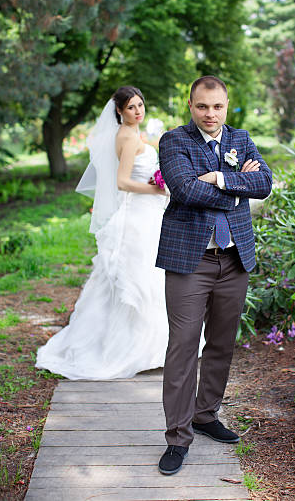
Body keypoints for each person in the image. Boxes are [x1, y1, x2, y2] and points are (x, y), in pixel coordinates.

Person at [156, 75, 273, 475]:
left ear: (227, 105)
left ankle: (206, 415)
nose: (210, 113)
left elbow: (266, 182)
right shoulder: (174, 141)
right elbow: (185, 189)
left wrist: (222, 179)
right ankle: (177, 436)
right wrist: (242, 188)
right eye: (202, 106)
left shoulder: (240, 139)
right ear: (191, 105)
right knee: (184, 346)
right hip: (191, 259)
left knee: (221, 344)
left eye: (217, 106)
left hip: (234, 258)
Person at [36, 86, 169, 380]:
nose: (138, 111)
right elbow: (122, 182)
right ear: (119, 111)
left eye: (140, 105)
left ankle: (153, 346)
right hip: (136, 213)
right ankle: (130, 348)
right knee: (138, 276)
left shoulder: (131, 134)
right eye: (131, 107)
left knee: (148, 275)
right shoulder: (126, 136)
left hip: (144, 212)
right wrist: (157, 187)